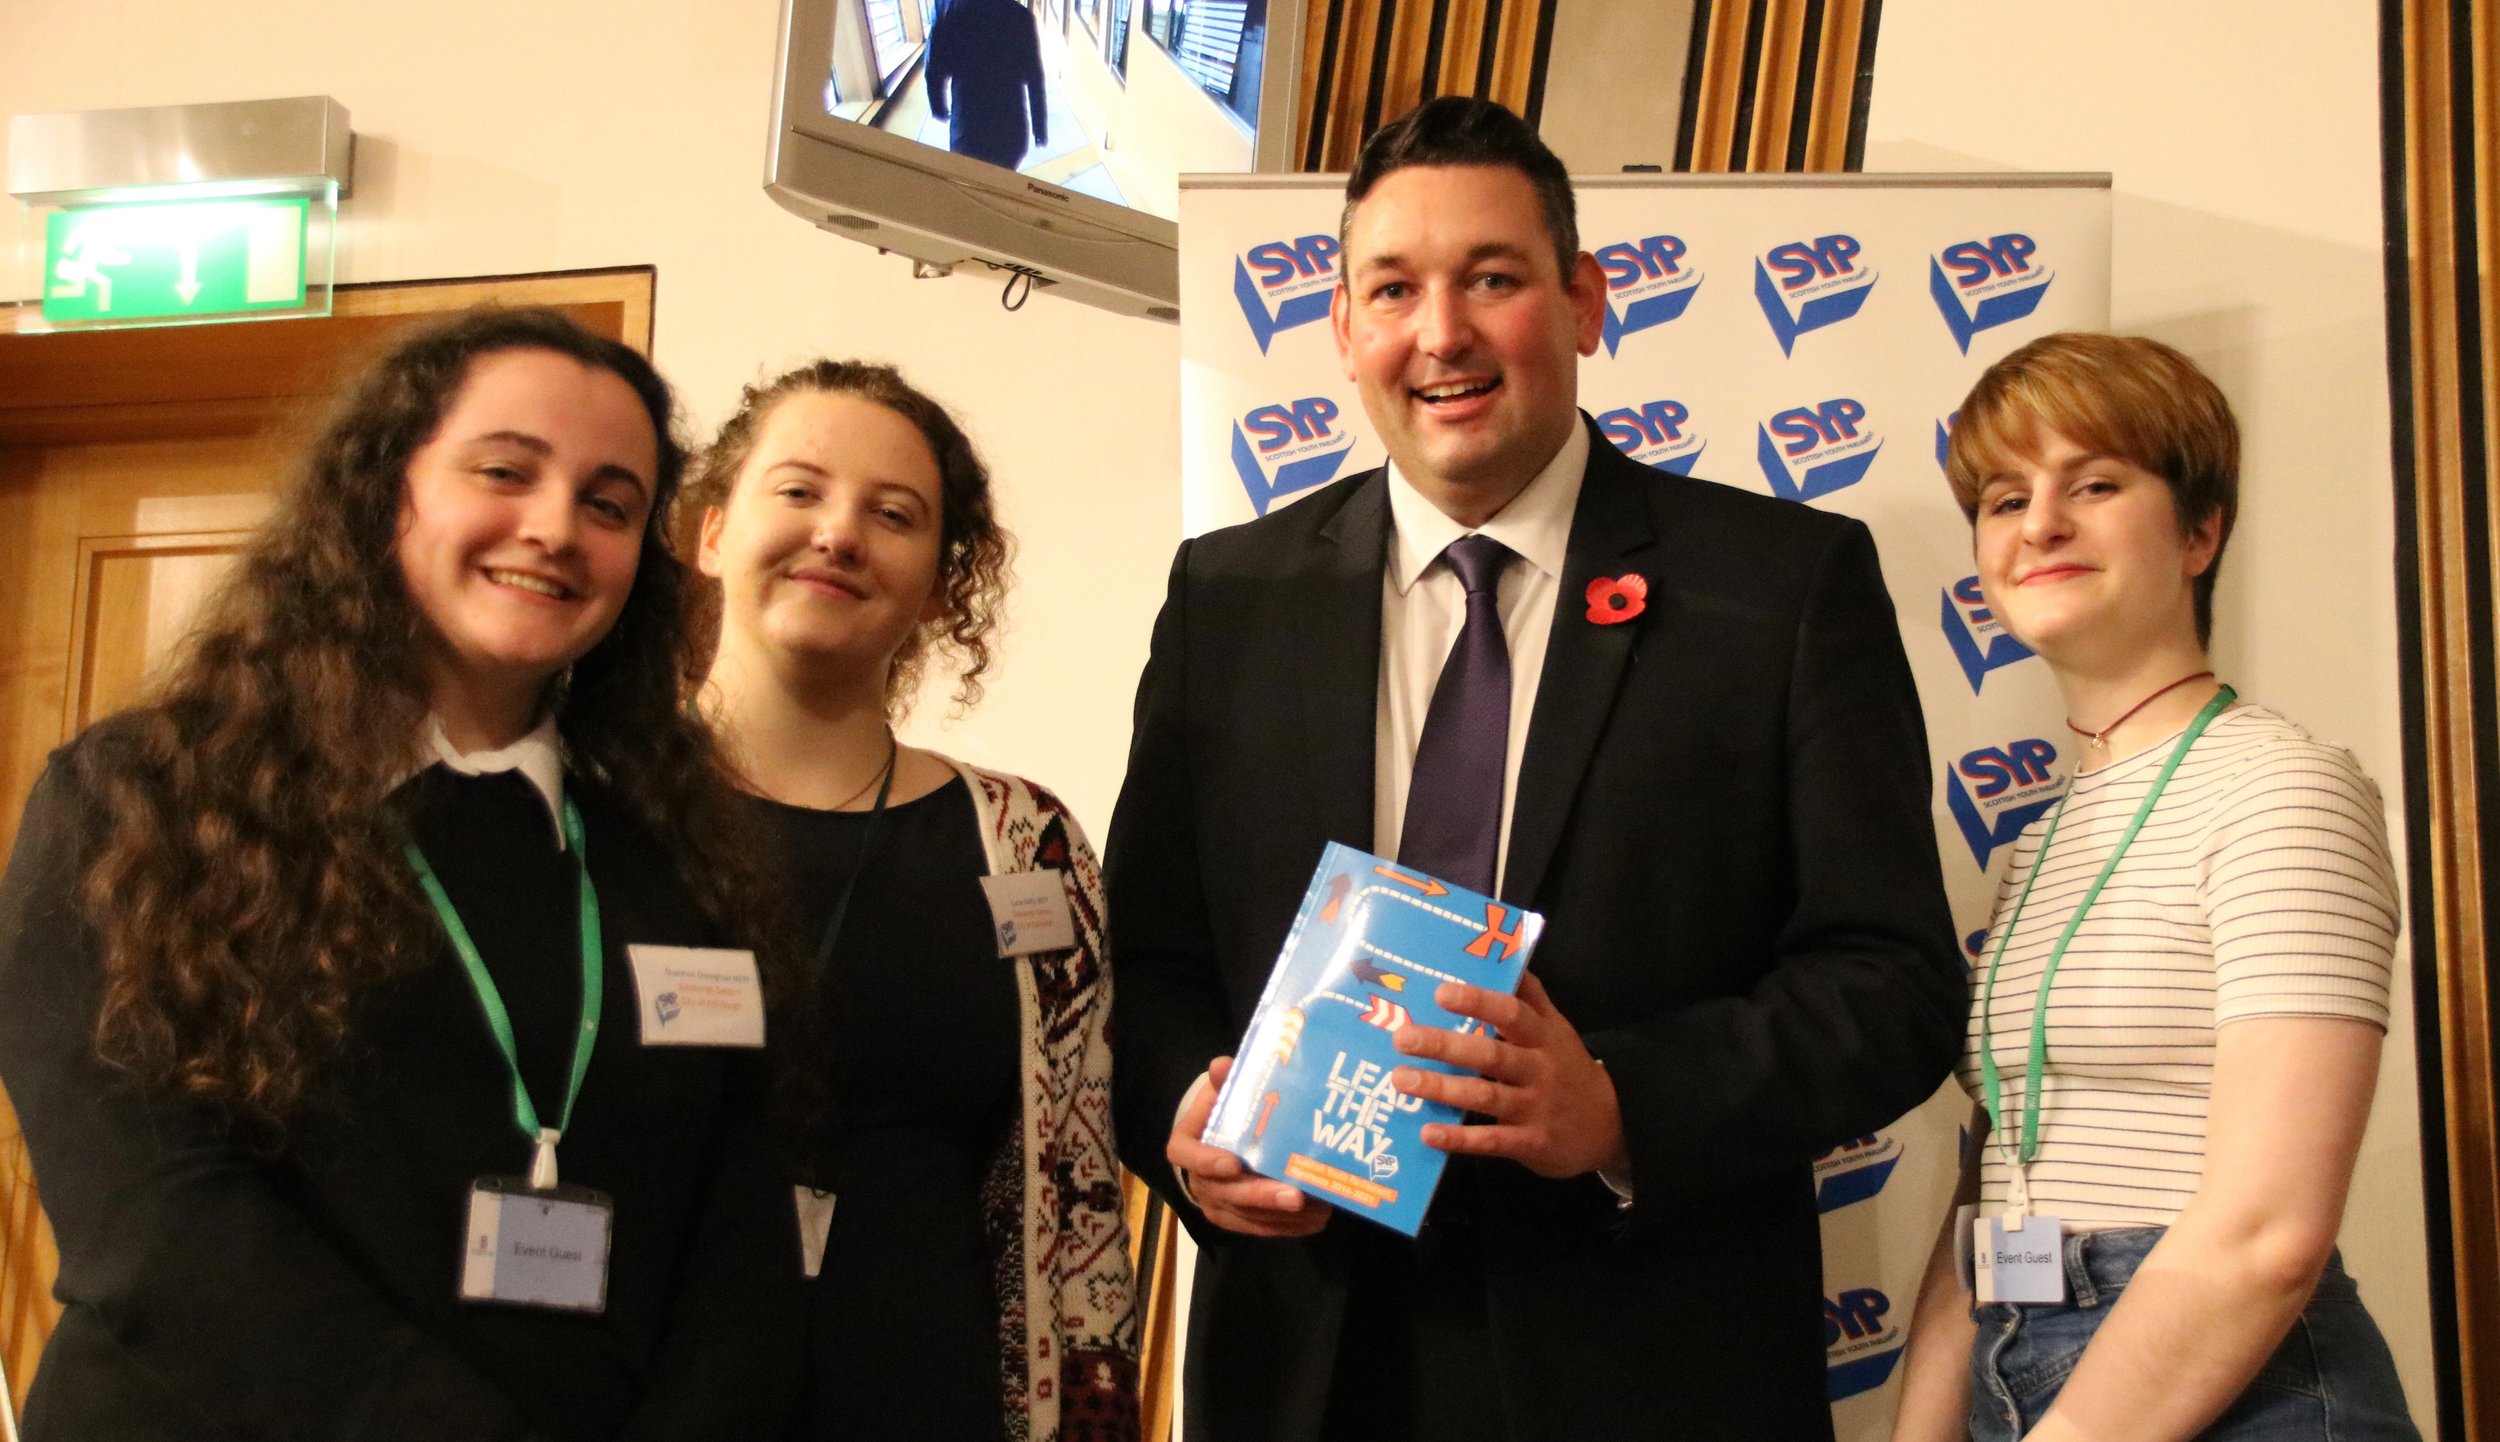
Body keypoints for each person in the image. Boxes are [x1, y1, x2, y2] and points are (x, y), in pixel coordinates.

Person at [1106, 95, 1965, 1442]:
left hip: (1652, 1359)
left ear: (1583, 302)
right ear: (1342, 331)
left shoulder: (1783, 589)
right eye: (1393, 288)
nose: (1439, 332)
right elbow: (1148, 969)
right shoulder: (1230, 597)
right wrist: (1188, 1111)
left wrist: (1624, 1100)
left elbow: (1894, 983)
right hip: (1308, 1357)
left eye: (1491, 279)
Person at [0, 307, 805, 1440]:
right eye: (504, 470)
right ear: (386, 487)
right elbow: (153, 1218)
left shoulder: (685, 855)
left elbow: (740, 1243)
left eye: (609, 502)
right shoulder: (140, 799)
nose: (554, 527)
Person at [1890, 333, 2417, 1442]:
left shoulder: (2282, 787)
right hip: (2022, 1350)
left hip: (2234, 1390)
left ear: (2199, 530)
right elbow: (1993, 1183)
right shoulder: (2041, 843)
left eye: (2093, 482)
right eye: (2001, 496)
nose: (2037, 524)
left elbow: (2267, 1233)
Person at [680, 359, 1137, 1441]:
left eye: (893, 514)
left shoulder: (1027, 844)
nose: (838, 533)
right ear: (709, 531)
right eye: (797, 491)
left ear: (941, 582)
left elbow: (1078, 1211)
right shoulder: (586, 812)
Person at [925, 0, 1049, 172]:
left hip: (968, 123)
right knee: (1003, 180)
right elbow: (1034, 75)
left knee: (969, 182)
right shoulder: (1021, 16)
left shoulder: (952, 12)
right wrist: (1039, 126)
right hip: (1010, 123)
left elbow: (933, 69)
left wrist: (938, 106)